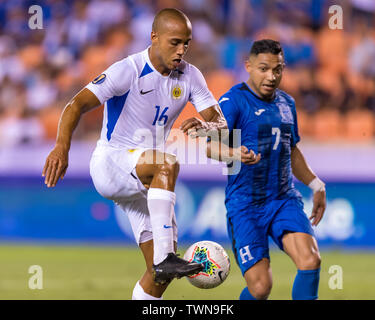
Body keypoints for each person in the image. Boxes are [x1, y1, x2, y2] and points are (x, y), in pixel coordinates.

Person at [42, 8, 227, 300]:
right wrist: (61, 148)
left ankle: (162, 263)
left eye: (186, 44)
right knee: (166, 163)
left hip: (145, 178)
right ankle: (166, 257)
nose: (182, 51)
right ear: (154, 37)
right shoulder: (127, 70)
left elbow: (221, 124)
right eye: (175, 42)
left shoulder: (191, 76)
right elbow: (75, 105)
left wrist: (206, 125)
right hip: (112, 162)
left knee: (158, 277)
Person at [207, 39, 326, 300]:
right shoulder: (232, 102)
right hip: (246, 205)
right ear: (248, 66)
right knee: (261, 288)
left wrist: (316, 184)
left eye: (277, 69)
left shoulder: (287, 103)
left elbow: (291, 150)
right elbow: (210, 147)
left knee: (310, 260)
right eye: (264, 69)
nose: (271, 77)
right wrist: (233, 153)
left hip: (283, 199)